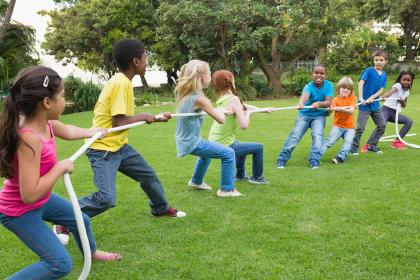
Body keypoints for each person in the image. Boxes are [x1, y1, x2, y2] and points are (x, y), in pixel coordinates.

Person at [54, 39, 186, 244]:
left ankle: (160, 209)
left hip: (119, 146)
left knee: (149, 176)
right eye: (145, 57)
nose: (147, 61)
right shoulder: (120, 82)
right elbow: (119, 121)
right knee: (106, 198)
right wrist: (144, 116)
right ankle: (63, 219)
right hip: (102, 149)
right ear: (135, 61)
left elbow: (123, 121)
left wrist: (156, 117)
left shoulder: (123, 81)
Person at [0, 66, 121, 279]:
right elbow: (29, 195)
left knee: (80, 219)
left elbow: (68, 131)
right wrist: (58, 168)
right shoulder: (29, 138)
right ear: (47, 102)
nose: (65, 100)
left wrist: (92, 132)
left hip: (40, 200)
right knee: (59, 264)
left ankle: (90, 253)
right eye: (63, 95)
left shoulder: (46, 123)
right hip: (19, 210)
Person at [175, 60, 242, 197]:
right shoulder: (200, 99)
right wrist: (227, 111)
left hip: (185, 139)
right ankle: (226, 190)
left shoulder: (187, 94)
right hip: (191, 142)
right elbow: (221, 120)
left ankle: (196, 181)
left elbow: (208, 110)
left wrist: (222, 109)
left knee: (206, 155)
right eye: (209, 72)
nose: (211, 75)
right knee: (229, 153)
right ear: (202, 76)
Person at [208, 70, 270, 184]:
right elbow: (244, 125)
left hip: (215, 140)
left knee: (241, 146)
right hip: (224, 144)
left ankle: (240, 175)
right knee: (258, 147)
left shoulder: (223, 99)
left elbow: (244, 106)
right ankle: (257, 178)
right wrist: (249, 114)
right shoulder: (233, 99)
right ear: (231, 82)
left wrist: (263, 110)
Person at [276, 64, 333, 169]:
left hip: (319, 116)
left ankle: (314, 160)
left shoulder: (329, 85)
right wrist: (301, 103)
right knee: (295, 135)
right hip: (304, 115)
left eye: (322, 73)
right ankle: (282, 159)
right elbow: (304, 97)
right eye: (316, 73)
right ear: (312, 74)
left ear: (326, 75)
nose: (319, 75)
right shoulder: (308, 86)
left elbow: (328, 101)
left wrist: (319, 104)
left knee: (318, 135)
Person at [350, 50, 388, 155]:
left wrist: (373, 96)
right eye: (376, 60)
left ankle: (372, 145)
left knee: (382, 125)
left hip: (375, 105)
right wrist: (361, 98)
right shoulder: (369, 70)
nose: (378, 62)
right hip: (364, 105)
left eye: (381, 60)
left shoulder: (384, 74)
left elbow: (382, 88)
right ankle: (353, 147)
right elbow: (361, 82)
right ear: (373, 61)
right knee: (360, 128)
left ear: (386, 61)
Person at [319, 77, 357, 164]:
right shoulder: (335, 100)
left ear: (351, 90)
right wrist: (329, 109)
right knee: (329, 142)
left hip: (350, 127)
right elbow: (329, 112)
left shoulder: (353, 98)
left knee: (348, 142)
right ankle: (316, 156)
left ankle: (340, 157)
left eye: (349, 89)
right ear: (339, 88)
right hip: (338, 126)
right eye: (344, 88)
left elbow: (351, 111)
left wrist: (339, 109)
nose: (346, 90)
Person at [378, 71, 415, 150]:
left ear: (411, 81)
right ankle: (369, 145)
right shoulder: (398, 85)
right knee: (382, 125)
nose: (406, 82)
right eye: (404, 80)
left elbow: (404, 105)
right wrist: (383, 97)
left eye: (408, 80)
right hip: (386, 110)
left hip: (395, 113)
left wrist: (401, 101)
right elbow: (391, 92)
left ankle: (397, 142)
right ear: (400, 80)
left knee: (409, 121)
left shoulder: (407, 91)